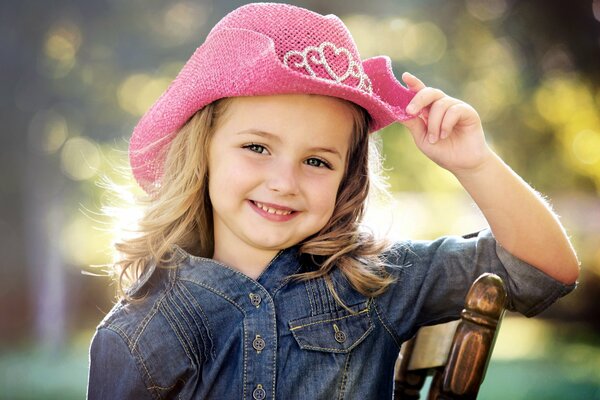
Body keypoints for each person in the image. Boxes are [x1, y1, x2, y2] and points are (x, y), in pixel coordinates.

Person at [87, 3, 579, 399]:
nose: (284, 182)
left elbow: (543, 273)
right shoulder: (138, 332)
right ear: (203, 154)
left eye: (317, 161)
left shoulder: (375, 281)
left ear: (347, 177)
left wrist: (475, 164)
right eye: (257, 148)